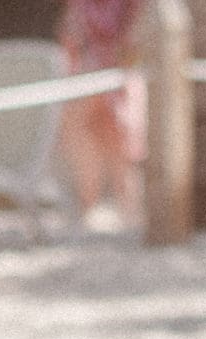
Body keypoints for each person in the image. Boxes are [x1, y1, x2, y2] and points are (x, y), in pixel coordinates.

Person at [58, 0, 145, 232]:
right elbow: (70, 34)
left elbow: (136, 36)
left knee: (120, 139)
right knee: (85, 131)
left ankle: (130, 209)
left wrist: (120, 65)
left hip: (122, 71)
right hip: (88, 71)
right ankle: (88, 206)